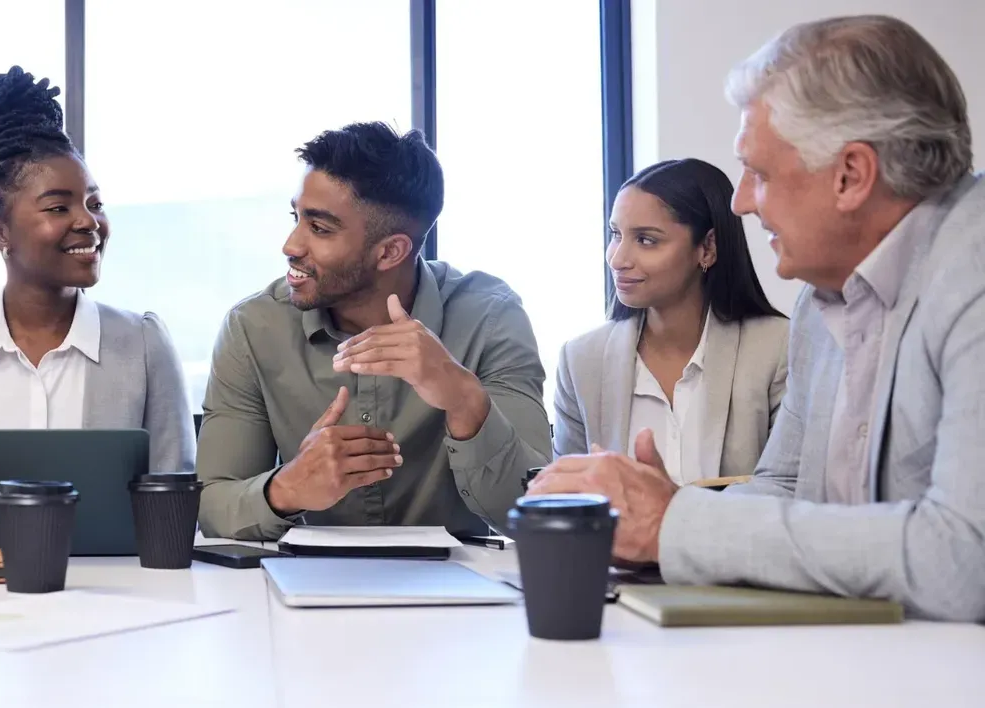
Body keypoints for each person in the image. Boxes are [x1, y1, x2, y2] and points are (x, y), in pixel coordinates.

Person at [527, 15, 985, 622]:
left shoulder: (971, 274)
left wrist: (676, 526)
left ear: (850, 175)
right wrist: (653, 527)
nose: (742, 200)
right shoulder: (821, 307)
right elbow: (784, 491)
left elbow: (963, 561)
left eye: (760, 173)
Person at [197, 122, 552, 541]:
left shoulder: (489, 319)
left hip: (459, 596)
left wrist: (464, 401)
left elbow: (534, 512)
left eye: (320, 228)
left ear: (390, 251)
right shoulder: (254, 328)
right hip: (300, 590)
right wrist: (287, 488)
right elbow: (212, 504)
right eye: (296, 217)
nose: (291, 245)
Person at [0, 67, 194, 475]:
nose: (88, 221)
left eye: (95, 203)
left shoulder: (143, 345)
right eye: (58, 207)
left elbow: (173, 504)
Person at [554, 158, 788, 485]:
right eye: (615, 234)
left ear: (707, 248)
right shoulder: (581, 361)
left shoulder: (778, 350)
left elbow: (790, 493)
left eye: (646, 240)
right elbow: (568, 505)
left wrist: (673, 509)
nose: (618, 259)